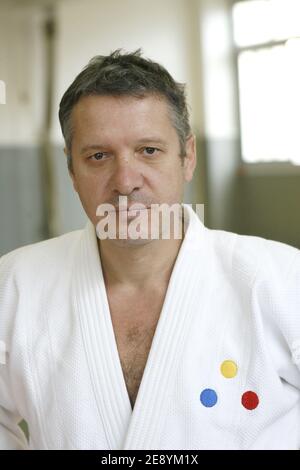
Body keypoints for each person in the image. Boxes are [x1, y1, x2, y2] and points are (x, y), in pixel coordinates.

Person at [0, 49, 299, 451]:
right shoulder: (16, 284)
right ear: (72, 170)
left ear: (187, 157)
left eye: (149, 151)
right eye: (99, 156)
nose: (125, 181)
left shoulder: (280, 280)